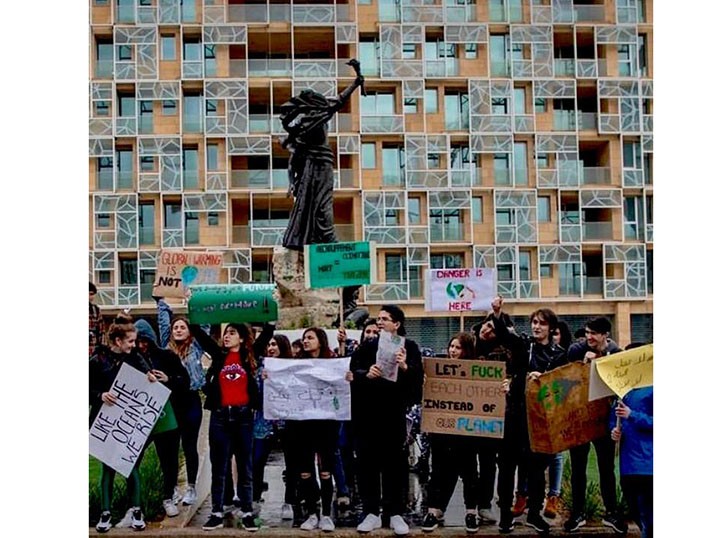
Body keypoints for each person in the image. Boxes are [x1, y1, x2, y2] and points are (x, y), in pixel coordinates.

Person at [190, 322, 270, 532]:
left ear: (242, 338)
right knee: (219, 466)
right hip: (220, 417)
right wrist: (194, 313)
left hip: (243, 417)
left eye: (232, 333)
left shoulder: (249, 356)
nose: (227, 336)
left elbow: (267, 333)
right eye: (226, 333)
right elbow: (200, 336)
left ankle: (247, 513)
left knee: (245, 466)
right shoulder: (219, 356)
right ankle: (216, 512)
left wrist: (269, 315)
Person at [350, 305, 423, 536]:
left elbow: (418, 383)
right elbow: (352, 375)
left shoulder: (409, 347)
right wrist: (366, 374)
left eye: (384, 319)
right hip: (369, 415)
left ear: (397, 324)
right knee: (367, 464)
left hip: (394, 415)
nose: (379, 322)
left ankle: (395, 513)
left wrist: (404, 367)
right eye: (378, 318)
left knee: (395, 465)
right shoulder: (366, 347)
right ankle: (371, 512)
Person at [280, 59, 365, 250]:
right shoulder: (304, 125)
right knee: (315, 205)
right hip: (312, 168)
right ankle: (325, 239)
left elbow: (341, 98)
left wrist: (357, 79)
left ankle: (325, 237)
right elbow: (293, 161)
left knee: (323, 204)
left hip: (323, 166)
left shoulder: (321, 114)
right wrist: (292, 182)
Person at [275, 328, 351, 532]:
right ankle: (311, 513)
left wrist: (348, 378)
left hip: (326, 426)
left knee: (326, 472)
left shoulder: (333, 362)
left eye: (310, 337)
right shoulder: (297, 364)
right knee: (305, 472)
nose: (305, 341)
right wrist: (270, 376)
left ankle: (326, 514)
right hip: (301, 426)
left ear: (321, 341)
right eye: (304, 338)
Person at [90, 314, 154, 533]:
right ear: (118, 341)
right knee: (107, 467)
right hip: (106, 420)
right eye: (130, 341)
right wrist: (100, 395)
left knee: (130, 465)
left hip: (129, 422)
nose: (134, 345)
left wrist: (151, 376)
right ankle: (105, 512)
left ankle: (137, 510)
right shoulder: (98, 359)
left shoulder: (135, 357)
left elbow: (148, 375)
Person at [564, 317, 627, 534]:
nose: (589, 337)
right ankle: (577, 513)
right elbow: (566, 375)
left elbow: (621, 386)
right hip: (580, 419)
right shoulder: (576, 350)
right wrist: (583, 361)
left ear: (605, 335)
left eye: (594, 334)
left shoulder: (617, 354)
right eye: (587, 332)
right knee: (578, 468)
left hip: (603, 420)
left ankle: (611, 512)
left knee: (606, 468)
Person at [421, 332, 482, 534]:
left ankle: (471, 512)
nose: (453, 351)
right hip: (442, 430)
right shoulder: (439, 370)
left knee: (469, 472)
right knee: (438, 471)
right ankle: (434, 511)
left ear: (466, 350)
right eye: (451, 347)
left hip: (466, 432)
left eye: (458, 347)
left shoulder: (475, 370)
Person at [134, 319, 191, 518]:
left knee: (169, 460)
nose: (141, 346)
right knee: (132, 458)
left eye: (145, 341)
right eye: (138, 342)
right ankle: (134, 502)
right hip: (139, 420)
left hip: (166, 418)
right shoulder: (130, 359)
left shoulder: (167, 357)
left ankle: (168, 496)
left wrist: (168, 379)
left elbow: (185, 381)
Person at [157, 298, 207, 506]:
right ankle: (173, 488)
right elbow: (162, 324)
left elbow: (203, 326)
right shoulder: (165, 349)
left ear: (189, 331)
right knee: (171, 448)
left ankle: (192, 487)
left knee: (189, 445)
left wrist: (195, 303)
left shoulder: (195, 347)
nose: (178, 330)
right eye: (175, 327)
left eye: (182, 327)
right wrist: (161, 302)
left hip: (191, 400)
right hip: (171, 402)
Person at [252, 334, 294, 520]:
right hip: (264, 423)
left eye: (275, 344)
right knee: (257, 460)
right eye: (269, 344)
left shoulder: (293, 368)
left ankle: (289, 501)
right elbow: (254, 396)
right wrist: (260, 380)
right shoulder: (261, 368)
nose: (270, 347)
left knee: (291, 462)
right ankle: (254, 499)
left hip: (288, 423)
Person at [540, 320, 573, 519]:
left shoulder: (566, 356)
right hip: (538, 407)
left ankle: (553, 495)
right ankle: (524, 494)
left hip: (558, 408)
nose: (554, 338)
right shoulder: (535, 352)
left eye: (557, 334)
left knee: (557, 455)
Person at [610, 384, 653, 538]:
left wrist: (632, 414)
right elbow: (614, 419)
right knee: (635, 508)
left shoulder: (653, 388)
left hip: (649, 463)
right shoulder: (623, 391)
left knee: (649, 512)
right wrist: (614, 432)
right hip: (628, 464)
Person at [89, 282, 105, 354]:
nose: (92, 297)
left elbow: (101, 330)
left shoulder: (96, 310)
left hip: (93, 349)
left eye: (93, 294)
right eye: (90, 294)